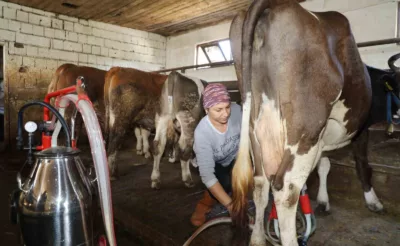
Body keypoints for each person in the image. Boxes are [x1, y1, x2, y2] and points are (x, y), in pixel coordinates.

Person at [190, 83, 242, 227]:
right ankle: (205, 203)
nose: (225, 113)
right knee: (223, 183)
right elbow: (207, 175)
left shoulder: (237, 112)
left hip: (234, 157)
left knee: (241, 181)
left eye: (227, 107)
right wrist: (231, 206)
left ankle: (234, 194)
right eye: (218, 109)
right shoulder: (202, 133)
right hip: (216, 163)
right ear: (206, 109)